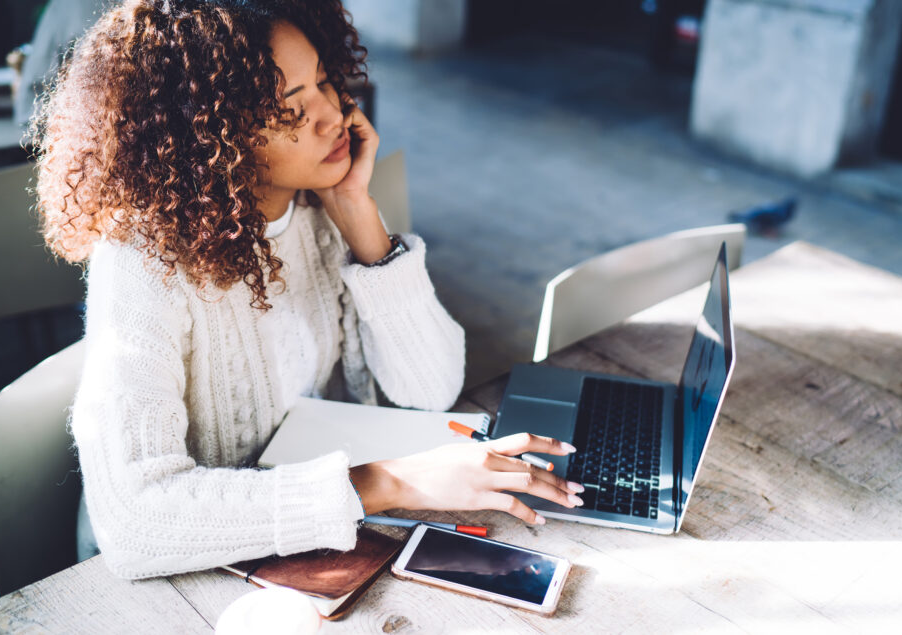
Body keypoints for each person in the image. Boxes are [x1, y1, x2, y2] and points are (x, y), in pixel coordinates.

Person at [32, 0, 585, 580]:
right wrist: (392, 481)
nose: (332, 116)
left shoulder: (319, 210)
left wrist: (361, 220)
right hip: (186, 577)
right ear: (210, 134)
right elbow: (134, 522)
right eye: (289, 109)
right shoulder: (143, 262)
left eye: (324, 81)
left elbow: (431, 389)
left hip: (305, 541)